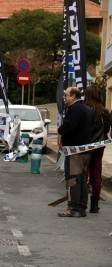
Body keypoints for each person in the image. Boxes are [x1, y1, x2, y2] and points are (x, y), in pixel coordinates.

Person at [57, 86, 92, 217]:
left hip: (75, 151)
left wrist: (61, 130)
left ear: (73, 96)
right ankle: (81, 207)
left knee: (73, 179)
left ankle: (73, 208)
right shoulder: (85, 108)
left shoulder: (75, 109)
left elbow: (69, 126)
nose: (64, 97)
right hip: (84, 150)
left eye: (66, 95)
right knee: (82, 179)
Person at [84, 85, 111, 213]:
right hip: (99, 144)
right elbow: (106, 129)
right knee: (96, 173)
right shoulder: (104, 111)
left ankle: (81, 201)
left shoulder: (85, 109)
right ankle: (94, 205)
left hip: (85, 145)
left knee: (83, 172)